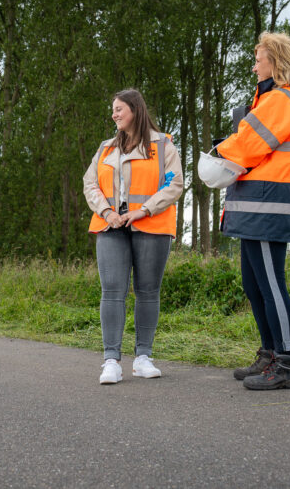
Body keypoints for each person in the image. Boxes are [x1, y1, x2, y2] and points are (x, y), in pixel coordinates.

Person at [215, 32, 290, 390]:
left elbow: (249, 144)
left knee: (271, 285)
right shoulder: (271, 100)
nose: (254, 65)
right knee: (254, 285)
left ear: (278, 62)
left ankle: (287, 364)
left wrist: (217, 152)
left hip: (271, 207)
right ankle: (270, 353)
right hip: (258, 206)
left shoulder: (282, 99)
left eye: (259, 58)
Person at [83, 89, 183, 384]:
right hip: (111, 226)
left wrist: (143, 211)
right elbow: (90, 184)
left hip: (151, 225)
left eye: (118, 109)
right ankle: (111, 361)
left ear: (135, 111)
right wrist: (107, 212)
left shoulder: (162, 145)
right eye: (113, 110)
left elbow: (174, 184)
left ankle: (143, 358)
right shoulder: (105, 148)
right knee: (112, 290)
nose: (114, 115)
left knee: (148, 291)